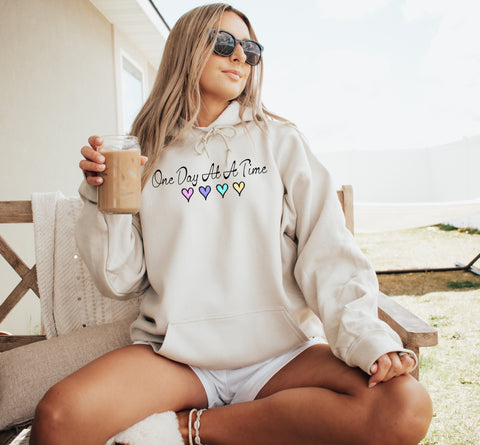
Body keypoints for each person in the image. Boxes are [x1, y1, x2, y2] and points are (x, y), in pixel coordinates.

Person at [30, 3, 433, 445]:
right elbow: (119, 279)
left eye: (250, 49)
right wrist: (99, 196)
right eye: (223, 43)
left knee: (404, 406)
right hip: (178, 358)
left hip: (281, 355)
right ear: (186, 49)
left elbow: (328, 251)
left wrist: (366, 337)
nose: (241, 56)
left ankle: (185, 428)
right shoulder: (142, 151)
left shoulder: (280, 141)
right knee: (58, 419)